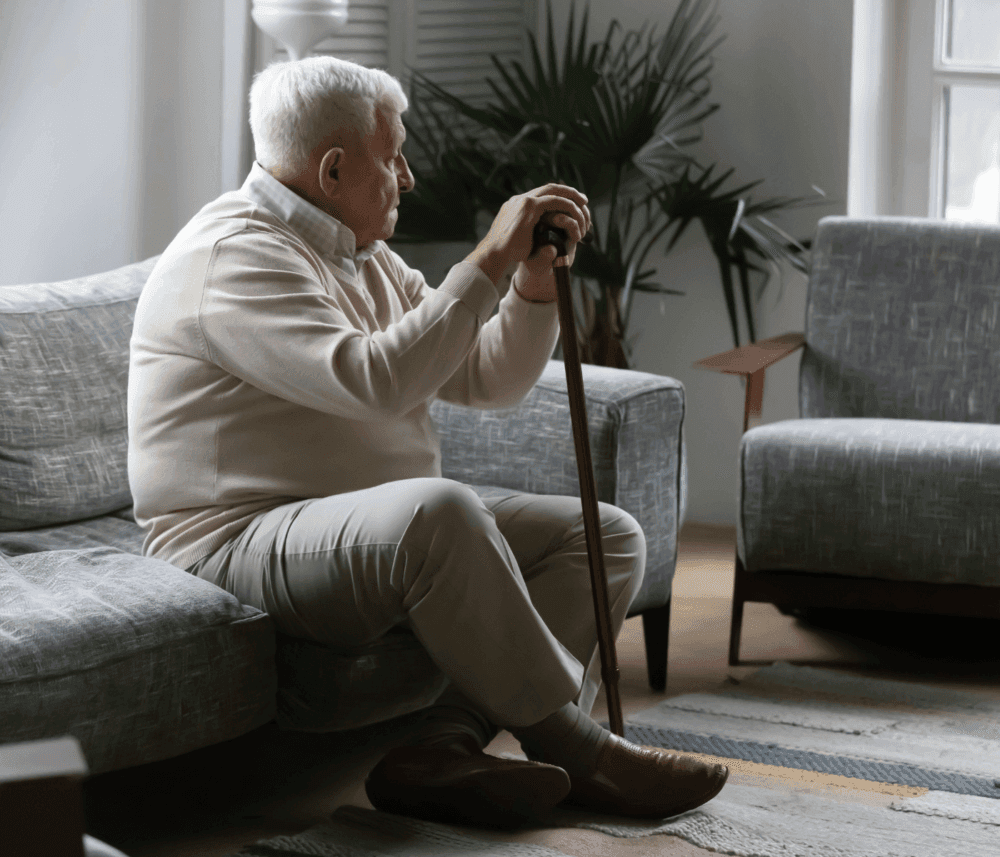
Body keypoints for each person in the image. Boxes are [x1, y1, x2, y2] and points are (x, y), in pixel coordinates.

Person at [127, 55, 728, 830]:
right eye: (393, 157)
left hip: (359, 529)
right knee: (440, 514)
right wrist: (486, 258)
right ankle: (586, 752)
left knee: (603, 534)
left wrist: (528, 287)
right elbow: (373, 379)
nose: (408, 178)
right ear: (333, 169)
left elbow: (485, 377)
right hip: (234, 539)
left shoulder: (361, 254)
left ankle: (439, 749)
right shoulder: (234, 257)